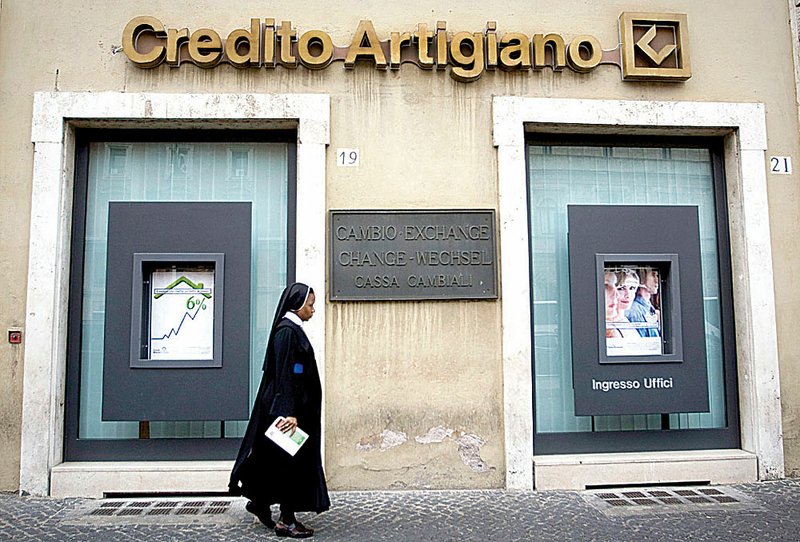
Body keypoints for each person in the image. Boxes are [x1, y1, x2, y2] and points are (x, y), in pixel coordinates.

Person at [229, 282, 330, 538]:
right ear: (297, 305)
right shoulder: (286, 332)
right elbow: (286, 372)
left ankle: (260, 502)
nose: (313, 310)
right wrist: (289, 412)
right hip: (287, 414)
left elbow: (295, 369)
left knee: (274, 461)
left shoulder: (292, 330)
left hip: (292, 409)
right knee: (290, 465)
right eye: (310, 304)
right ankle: (286, 520)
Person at [626, 268, 660, 337]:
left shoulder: (648, 307)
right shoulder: (634, 311)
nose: (657, 280)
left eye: (657, 275)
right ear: (642, 278)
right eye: (653, 275)